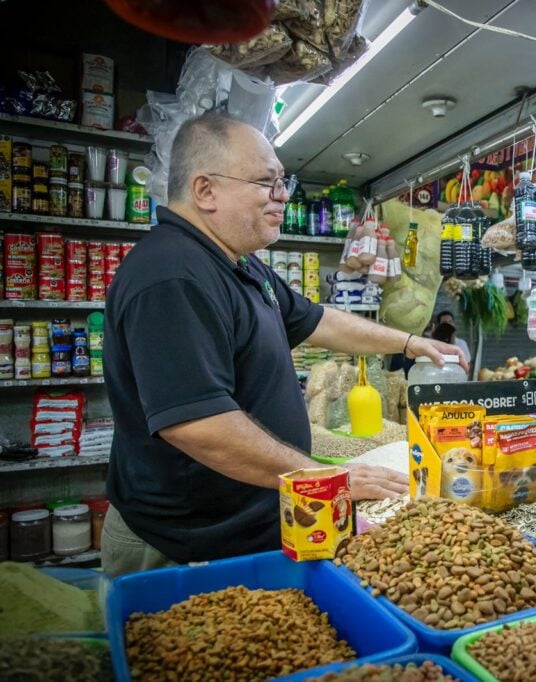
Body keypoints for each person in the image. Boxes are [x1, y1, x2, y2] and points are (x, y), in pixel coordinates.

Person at [102, 111, 466, 577]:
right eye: (265, 182)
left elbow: (320, 321)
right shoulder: (172, 274)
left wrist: (412, 342)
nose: (282, 197)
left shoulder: (240, 264)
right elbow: (197, 423)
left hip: (239, 529)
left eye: (283, 181)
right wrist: (328, 477)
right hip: (180, 546)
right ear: (205, 190)